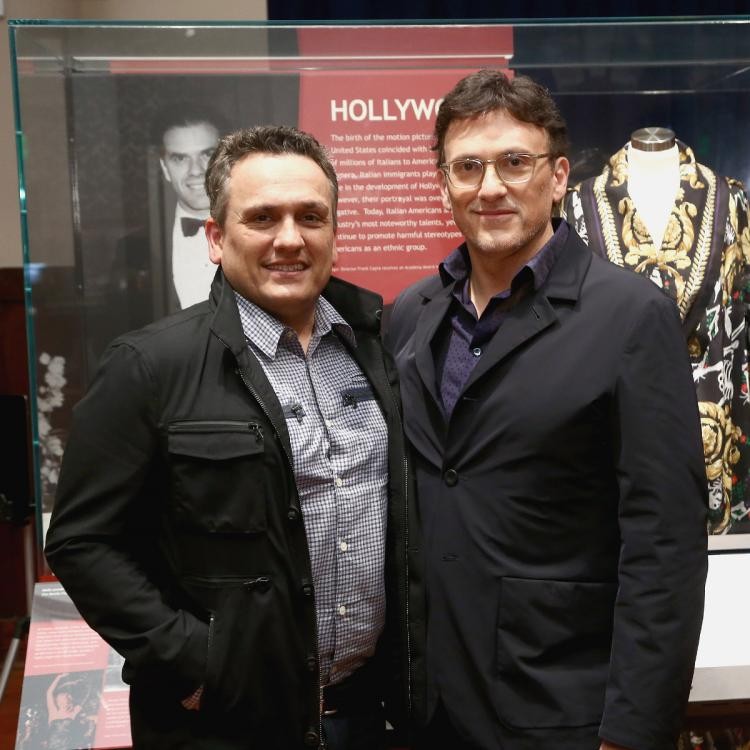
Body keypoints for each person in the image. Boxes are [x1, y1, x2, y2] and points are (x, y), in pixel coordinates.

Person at [45, 125, 423, 750]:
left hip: (366, 712)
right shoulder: (149, 366)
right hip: (225, 721)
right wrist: (196, 665)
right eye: (262, 218)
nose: (290, 238)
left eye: (311, 217)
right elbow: (83, 542)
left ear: (333, 233)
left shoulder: (379, 346)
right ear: (217, 239)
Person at [386, 70, 708, 750]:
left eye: (514, 162)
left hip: (561, 710)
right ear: (444, 185)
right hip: (431, 710)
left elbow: (665, 547)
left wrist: (634, 730)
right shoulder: (413, 314)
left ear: (558, 177)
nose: (490, 187)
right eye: (467, 167)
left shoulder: (631, 318)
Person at [109, 103, 226, 337]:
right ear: (164, 167)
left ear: (226, 160)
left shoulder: (263, 238)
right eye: (180, 158)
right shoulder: (133, 250)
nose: (196, 170)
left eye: (207, 154)